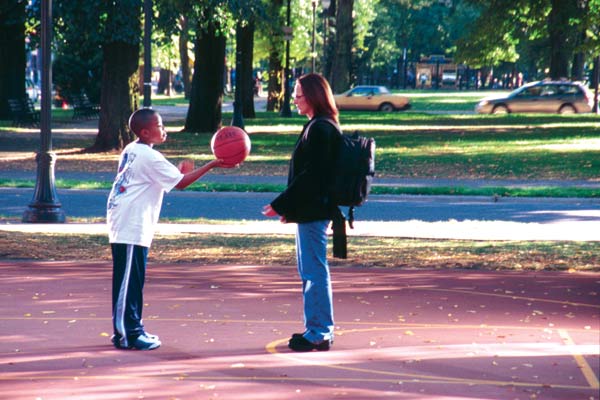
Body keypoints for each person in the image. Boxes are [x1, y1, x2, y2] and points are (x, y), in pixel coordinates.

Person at [107, 108, 226, 350]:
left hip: (127, 219)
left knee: (133, 280)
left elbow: (159, 180)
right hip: (131, 221)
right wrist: (211, 165)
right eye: (159, 125)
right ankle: (127, 333)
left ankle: (131, 329)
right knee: (128, 281)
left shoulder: (133, 149)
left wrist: (179, 173)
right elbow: (180, 184)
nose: (164, 129)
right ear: (145, 131)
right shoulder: (148, 156)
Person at [262, 73, 341, 352]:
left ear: (314, 96)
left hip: (314, 211)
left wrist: (281, 204)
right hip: (311, 210)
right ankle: (317, 327)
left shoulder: (321, 128)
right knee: (310, 270)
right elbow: (310, 177)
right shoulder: (318, 126)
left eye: (298, 94)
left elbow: (311, 177)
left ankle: (319, 331)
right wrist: (291, 209)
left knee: (314, 271)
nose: (294, 99)